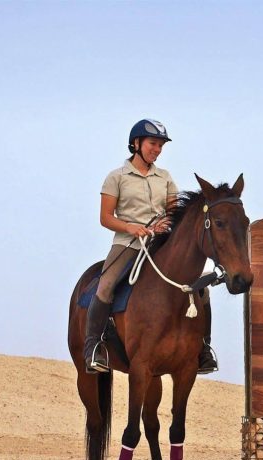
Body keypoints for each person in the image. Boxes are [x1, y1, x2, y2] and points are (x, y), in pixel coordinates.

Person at [83, 119, 219, 375]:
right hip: (128, 244)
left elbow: (173, 212)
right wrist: (131, 228)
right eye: (152, 144)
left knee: (201, 287)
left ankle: (203, 349)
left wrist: (164, 223)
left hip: (160, 243)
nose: (157, 149)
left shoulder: (164, 178)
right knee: (106, 285)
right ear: (136, 144)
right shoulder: (116, 177)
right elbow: (106, 218)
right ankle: (94, 348)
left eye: (160, 146)